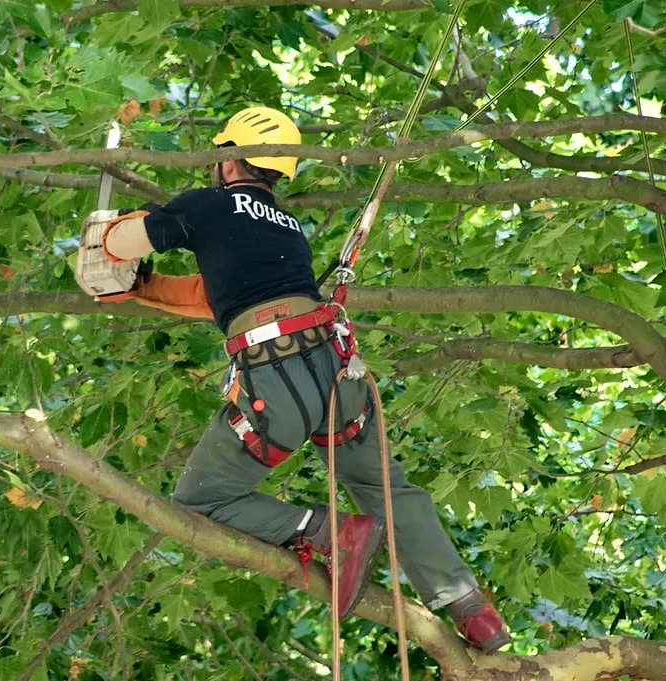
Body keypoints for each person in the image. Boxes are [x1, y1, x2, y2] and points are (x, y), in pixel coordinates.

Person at [92, 106, 510, 652]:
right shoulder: (287, 229)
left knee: (199, 499)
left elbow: (122, 243)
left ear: (227, 157)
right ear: (279, 171)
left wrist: (102, 241)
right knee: (386, 487)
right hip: (336, 373)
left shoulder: (206, 206)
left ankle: (325, 531)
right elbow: (211, 296)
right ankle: (470, 608)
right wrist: (144, 288)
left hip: (277, 378)